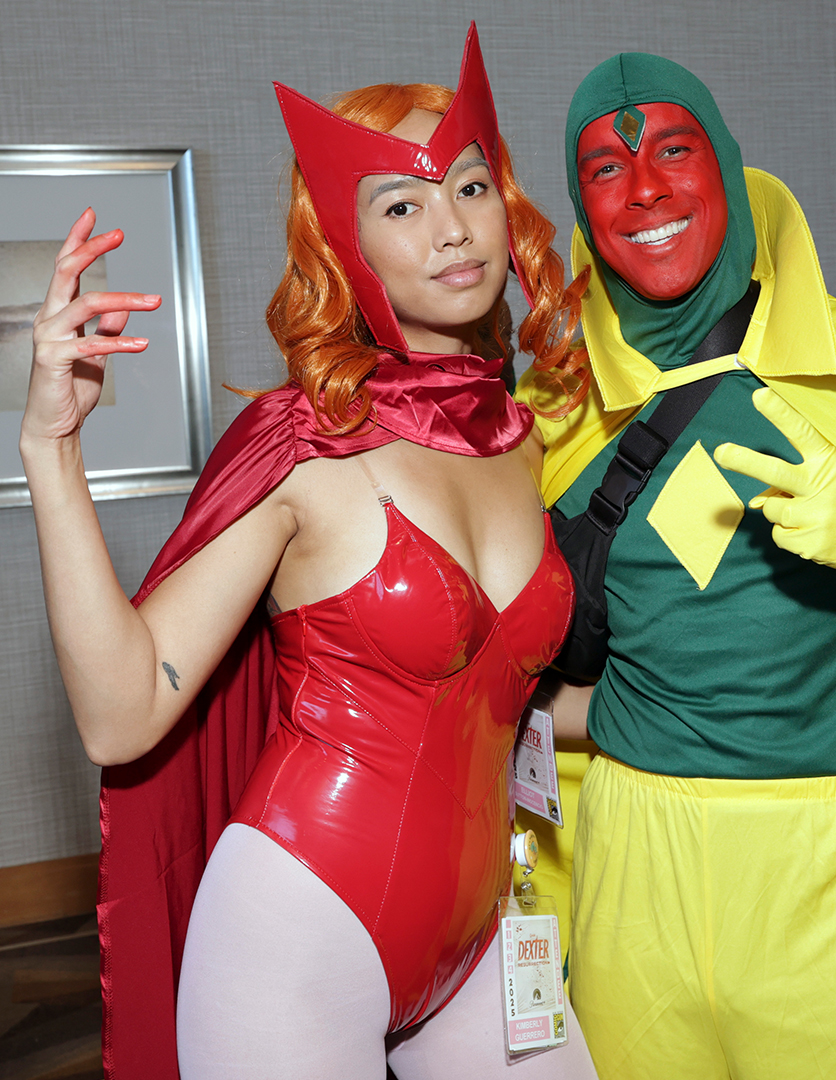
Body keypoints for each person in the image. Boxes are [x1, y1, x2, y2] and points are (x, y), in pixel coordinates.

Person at [20, 26, 597, 1080]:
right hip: (298, 934)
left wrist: (719, 714)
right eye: (401, 206)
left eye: (470, 189)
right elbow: (121, 714)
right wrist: (52, 449)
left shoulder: (518, 438)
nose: (452, 229)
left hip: (482, 935)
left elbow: (496, 691)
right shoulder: (303, 442)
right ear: (344, 241)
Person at [516, 53, 836, 1080]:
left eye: (673, 149)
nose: (644, 188)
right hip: (632, 865)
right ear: (582, 209)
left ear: (728, 166)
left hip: (830, 871)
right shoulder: (557, 405)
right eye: (607, 168)